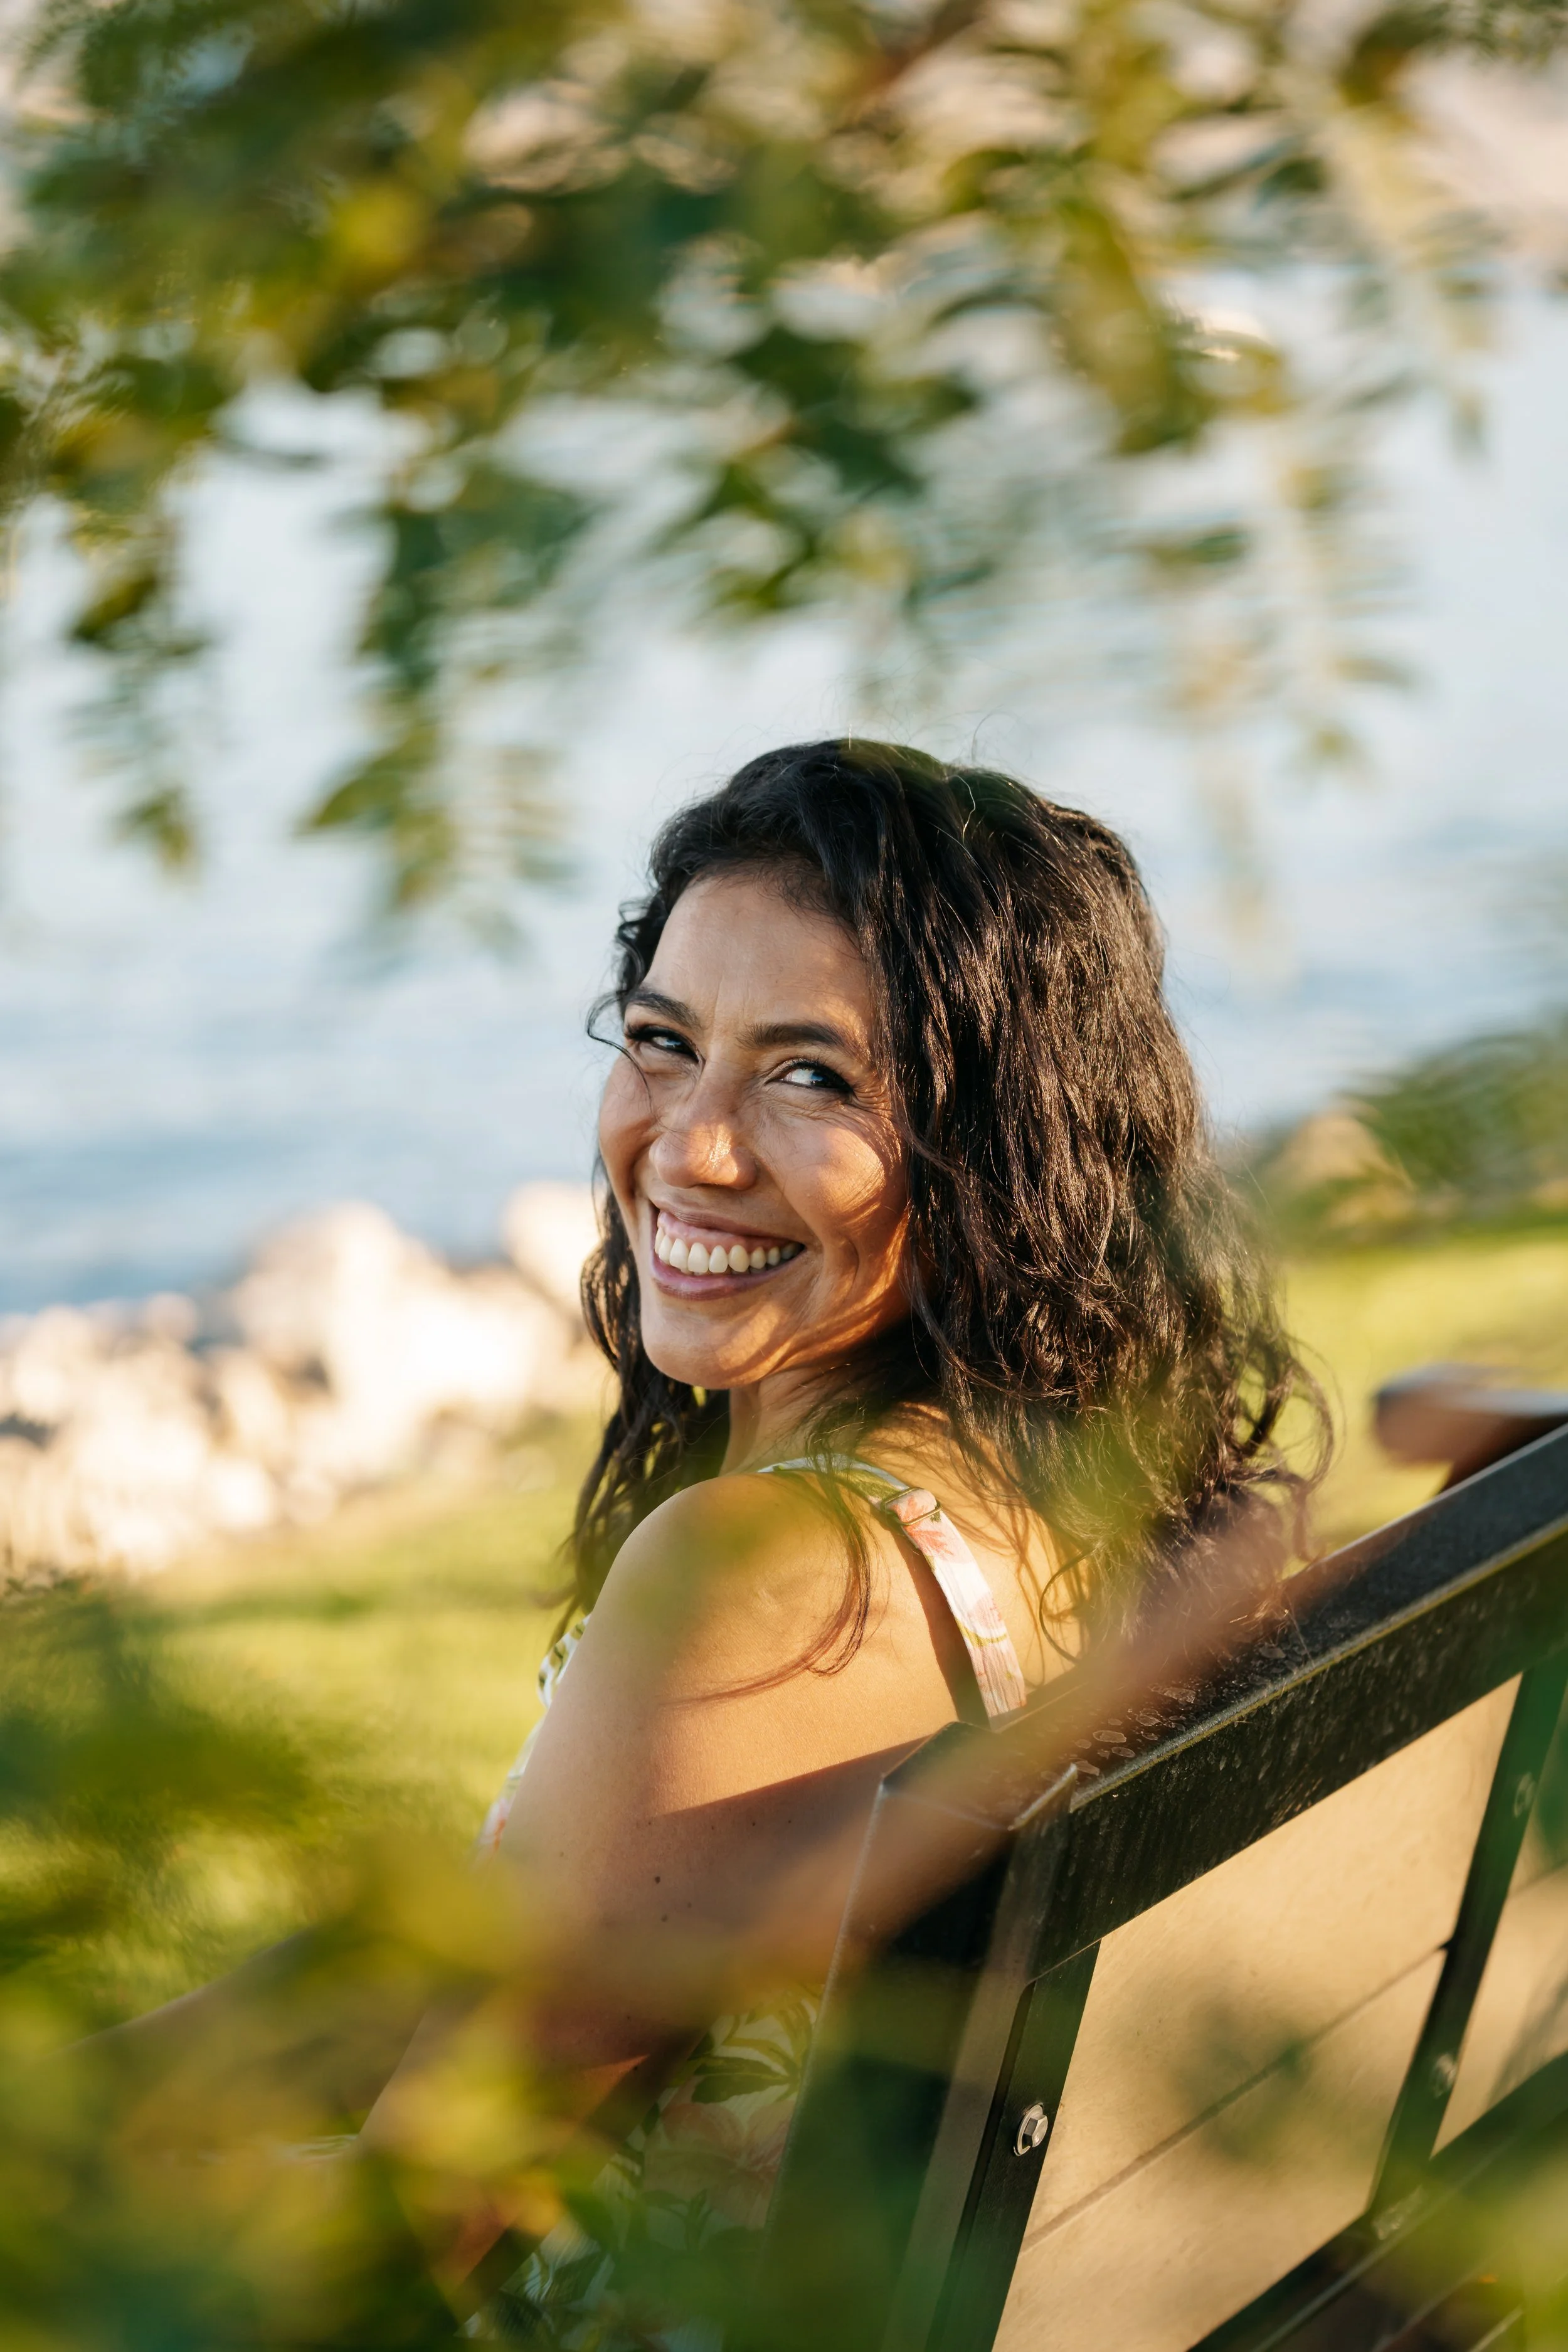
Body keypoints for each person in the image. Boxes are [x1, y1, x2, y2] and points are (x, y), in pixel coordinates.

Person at [361, 738, 1325, 2343]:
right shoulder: (1062, 1509)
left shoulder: (761, 1579)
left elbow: (404, 2232)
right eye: (662, 1042)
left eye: (811, 1076)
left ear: (997, 1149)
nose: (692, 1145)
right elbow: (522, 1944)